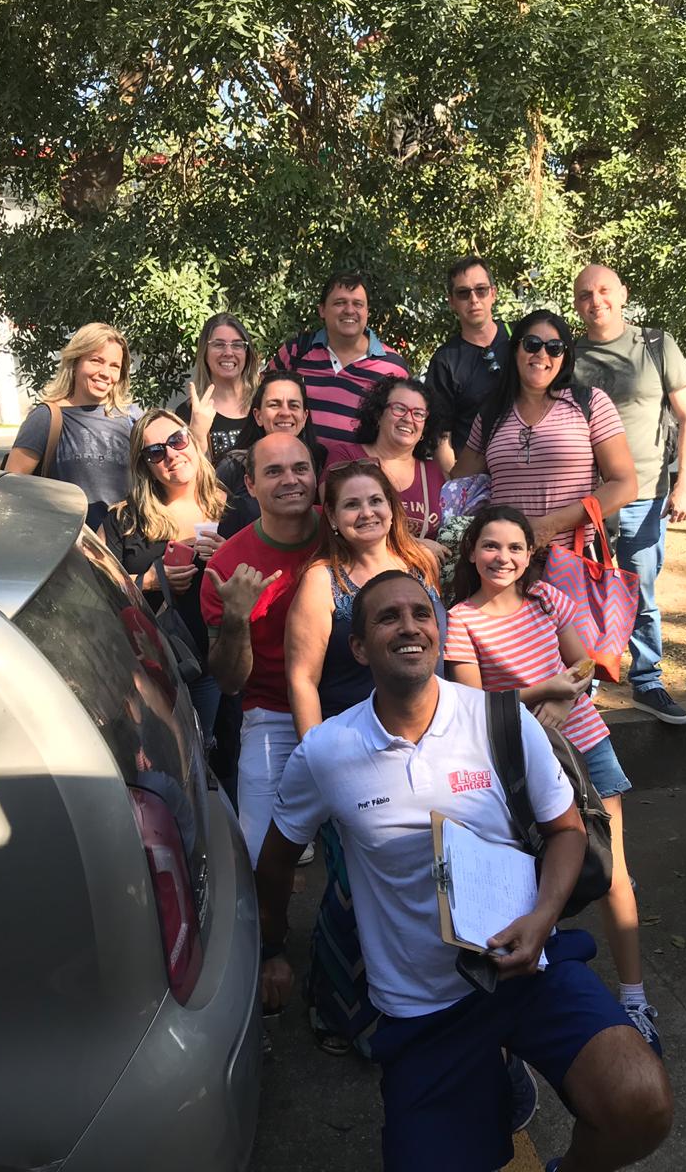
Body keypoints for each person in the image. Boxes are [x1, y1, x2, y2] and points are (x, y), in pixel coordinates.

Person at [258, 571, 674, 1172]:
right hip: (422, 1006)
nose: (409, 626)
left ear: (438, 631)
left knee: (640, 1105)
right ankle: (492, 1074)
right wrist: (273, 949)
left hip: (528, 969)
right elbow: (275, 862)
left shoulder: (499, 718)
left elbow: (567, 833)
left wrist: (542, 917)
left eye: (421, 614)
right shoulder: (326, 751)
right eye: (388, 617)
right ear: (358, 648)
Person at [445, 506, 660, 1053]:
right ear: (472, 552)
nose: (503, 558)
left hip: (588, 742)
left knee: (612, 870)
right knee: (539, 874)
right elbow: (474, 703)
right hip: (522, 760)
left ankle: (635, 998)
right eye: (491, 546)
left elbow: (584, 663)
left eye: (515, 548)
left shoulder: (547, 597)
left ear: (529, 556)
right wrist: (547, 692)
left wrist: (566, 699)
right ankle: (544, 987)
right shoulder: (461, 619)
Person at [284, 460, 443, 1055]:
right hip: (354, 750)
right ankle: (335, 1006)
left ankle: (419, 996)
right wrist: (319, 764)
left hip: (425, 743)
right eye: (351, 504)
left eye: (375, 500)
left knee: (423, 874)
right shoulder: (321, 581)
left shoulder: (421, 564)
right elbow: (302, 679)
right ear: (331, 516)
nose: (366, 513)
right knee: (352, 886)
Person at [570, 264, 686, 726]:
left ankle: (647, 681)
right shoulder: (567, 355)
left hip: (646, 496)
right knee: (586, 594)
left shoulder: (656, 345)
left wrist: (685, 483)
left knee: (640, 592)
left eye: (604, 290)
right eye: (585, 294)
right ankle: (586, 683)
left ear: (623, 293)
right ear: (576, 303)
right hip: (589, 501)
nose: (596, 300)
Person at [200, 433, 321, 866]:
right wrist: (237, 616)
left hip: (353, 705)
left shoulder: (344, 530)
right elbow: (230, 682)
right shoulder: (227, 567)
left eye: (300, 468)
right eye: (274, 471)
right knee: (258, 855)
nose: (291, 480)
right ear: (250, 485)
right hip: (273, 712)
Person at [452, 309, 638, 552]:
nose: (542, 353)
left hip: (571, 561)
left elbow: (625, 485)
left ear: (565, 356)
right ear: (515, 349)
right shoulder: (491, 414)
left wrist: (550, 525)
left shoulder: (590, 403)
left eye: (554, 348)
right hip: (504, 563)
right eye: (532, 344)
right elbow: (458, 484)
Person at [99, 408, 226, 743]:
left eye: (176, 440)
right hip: (148, 670)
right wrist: (150, 582)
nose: (171, 454)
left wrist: (229, 556)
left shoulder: (234, 509)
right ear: (145, 466)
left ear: (192, 441)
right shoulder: (125, 519)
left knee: (217, 750)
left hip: (220, 664)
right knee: (165, 750)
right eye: (155, 452)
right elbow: (96, 588)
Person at [5, 322, 141, 529]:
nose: (105, 373)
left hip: (123, 543)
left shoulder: (131, 417)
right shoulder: (46, 418)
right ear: (75, 362)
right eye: (96, 361)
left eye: (114, 366)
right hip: (65, 543)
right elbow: (11, 489)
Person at [267, 271, 408, 446]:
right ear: (322, 310)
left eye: (358, 304)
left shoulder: (393, 367)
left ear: (367, 312)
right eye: (340, 303)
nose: (349, 310)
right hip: (293, 462)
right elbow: (261, 403)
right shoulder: (296, 351)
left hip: (360, 464)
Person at [321, 376, 446, 556]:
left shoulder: (433, 472)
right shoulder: (346, 456)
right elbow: (335, 518)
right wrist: (414, 545)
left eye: (418, 414)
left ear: (425, 427)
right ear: (378, 415)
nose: (408, 419)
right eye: (399, 408)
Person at [424, 255, 512, 474]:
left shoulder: (522, 339)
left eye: (481, 290)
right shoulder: (445, 360)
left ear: (493, 293)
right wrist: (457, 485)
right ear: (451, 301)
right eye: (463, 293)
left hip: (527, 472)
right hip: (476, 480)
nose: (473, 299)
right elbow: (441, 436)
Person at [215, 369, 326, 540]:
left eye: (294, 405)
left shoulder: (321, 461)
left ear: (304, 417)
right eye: (274, 404)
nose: (285, 413)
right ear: (258, 416)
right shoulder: (233, 466)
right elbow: (208, 522)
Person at [175, 312, 260, 465]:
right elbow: (189, 472)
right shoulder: (189, 412)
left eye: (237, 345)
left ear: (247, 353)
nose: (228, 353)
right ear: (205, 352)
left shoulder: (265, 403)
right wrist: (198, 434)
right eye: (219, 344)